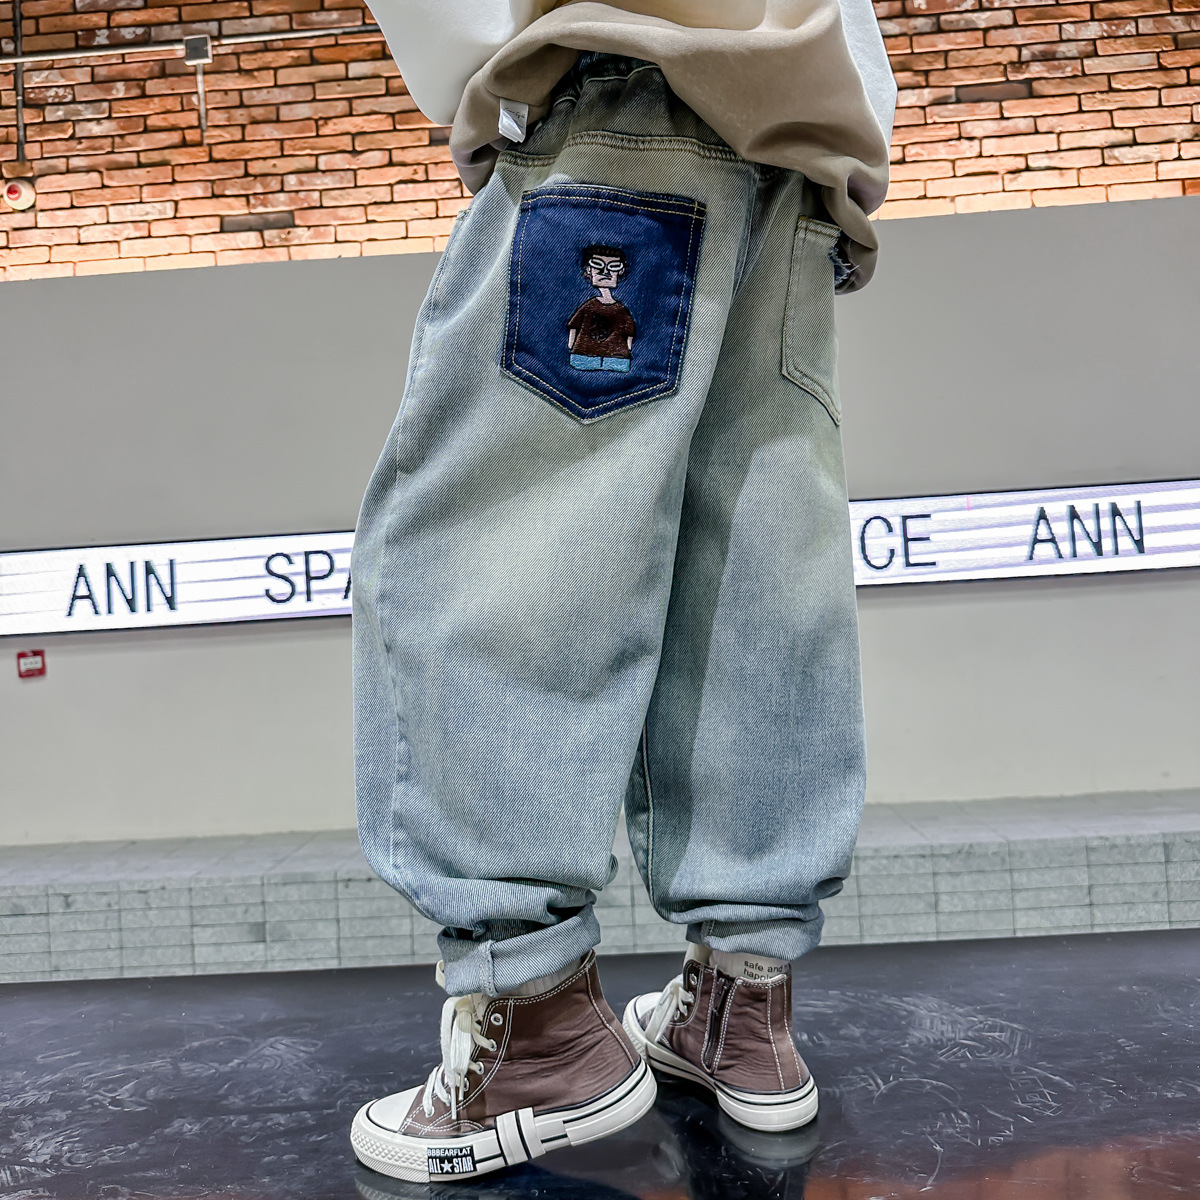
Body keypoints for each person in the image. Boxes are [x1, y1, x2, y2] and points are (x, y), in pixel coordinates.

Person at [347, 0, 896, 1184]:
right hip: (803, 153)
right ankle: (742, 1008)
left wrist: (494, 94)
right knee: (751, 578)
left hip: (624, 87)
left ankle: (537, 1032)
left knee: (495, 555)